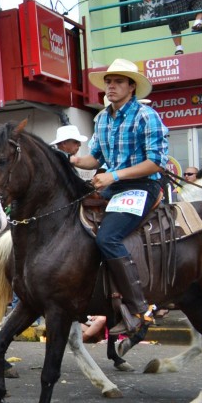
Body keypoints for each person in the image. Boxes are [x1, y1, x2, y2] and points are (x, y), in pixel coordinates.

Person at [70, 59, 169, 352]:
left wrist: (114, 175)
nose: (110, 87)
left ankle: (139, 311)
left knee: (108, 237)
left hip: (143, 186)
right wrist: (72, 160)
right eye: (108, 82)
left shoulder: (145, 116)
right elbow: (95, 159)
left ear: (131, 87)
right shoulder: (102, 118)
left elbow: (156, 162)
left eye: (117, 82)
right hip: (114, 185)